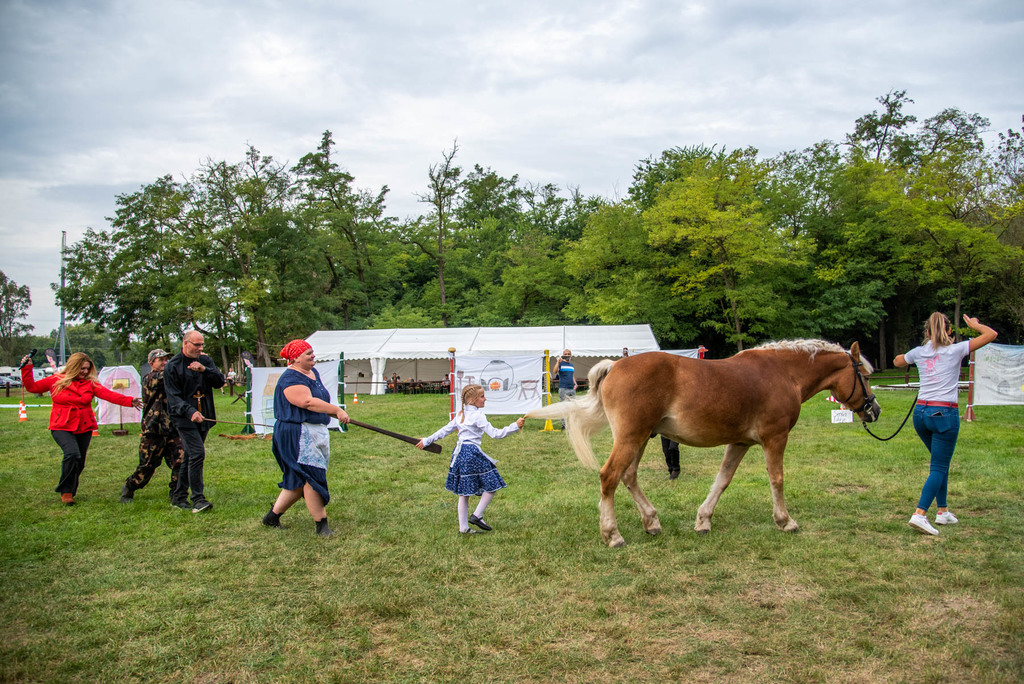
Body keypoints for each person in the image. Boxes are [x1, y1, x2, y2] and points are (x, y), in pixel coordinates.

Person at [894, 313, 997, 535]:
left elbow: (898, 361)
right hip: (944, 414)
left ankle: (942, 511)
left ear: (927, 332)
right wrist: (975, 325)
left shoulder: (919, 352)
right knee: (939, 466)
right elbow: (991, 335)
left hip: (920, 414)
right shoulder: (956, 349)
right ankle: (919, 514)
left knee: (940, 463)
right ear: (949, 331)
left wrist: (910, 356)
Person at [20, 352, 142, 505]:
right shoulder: (56, 380)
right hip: (61, 425)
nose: (84, 372)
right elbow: (32, 387)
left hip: (84, 426)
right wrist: (27, 368)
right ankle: (66, 491)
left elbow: (108, 395)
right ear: (73, 367)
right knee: (72, 454)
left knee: (80, 461)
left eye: (87, 368)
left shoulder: (90, 383)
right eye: (81, 368)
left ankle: (70, 488)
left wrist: (130, 401)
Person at [261, 339, 350, 537]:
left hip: (314, 429)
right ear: (295, 358)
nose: (313, 356)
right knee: (311, 476)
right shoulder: (290, 379)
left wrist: (332, 413)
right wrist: (336, 410)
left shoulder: (312, 372)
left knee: (298, 479)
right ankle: (322, 526)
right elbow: (307, 402)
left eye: (312, 352)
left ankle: (272, 517)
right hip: (297, 433)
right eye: (308, 353)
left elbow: (317, 399)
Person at [416, 384, 525, 534]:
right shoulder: (478, 415)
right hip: (472, 453)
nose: (485, 399)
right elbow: (496, 434)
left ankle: (464, 528)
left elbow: (444, 430)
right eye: (482, 396)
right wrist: (515, 426)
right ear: (473, 401)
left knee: (464, 493)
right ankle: (477, 515)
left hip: (460, 454)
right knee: (492, 485)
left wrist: (427, 441)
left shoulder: (461, 414)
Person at [164, 331, 224, 513]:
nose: (200, 348)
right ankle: (198, 499)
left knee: (190, 455)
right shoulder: (172, 366)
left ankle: (178, 496)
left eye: (202, 345)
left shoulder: (205, 361)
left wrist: (205, 370)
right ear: (185, 343)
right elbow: (173, 397)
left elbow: (219, 381)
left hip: (204, 414)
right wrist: (190, 411)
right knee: (197, 453)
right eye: (196, 345)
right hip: (183, 417)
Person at [120, 349, 184, 504]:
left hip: (173, 428)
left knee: (181, 461)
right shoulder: (150, 378)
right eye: (160, 360)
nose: (164, 362)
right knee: (147, 465)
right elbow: (164, 378)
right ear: (151, 363)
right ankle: (130, 487)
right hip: (154, 429)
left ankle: (176, 492)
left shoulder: (171, 377)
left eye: (166, 360)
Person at [553, 349, 577, 430]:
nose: (567, 355)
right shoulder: (560, 364)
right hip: (563, 388)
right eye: (565, 354)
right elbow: (554, 371)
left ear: (571, 355)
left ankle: (572, 424)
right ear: (563, 355)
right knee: (563, 407)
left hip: (572, 388)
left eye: (568, 354)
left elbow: (571, 375)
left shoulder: (571, 365)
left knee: (573, 407)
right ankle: (564, 425)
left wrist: (575, 383)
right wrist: (557, 362)